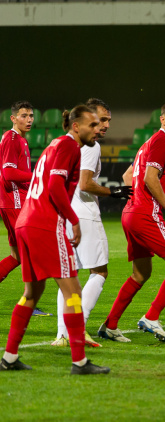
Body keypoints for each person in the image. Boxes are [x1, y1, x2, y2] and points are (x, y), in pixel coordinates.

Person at [1, 105, 110, 374]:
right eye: (92, 125)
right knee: (73, 292)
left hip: (26, 222)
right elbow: (54, 186)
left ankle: (9, 357)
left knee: (31, 293)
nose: (97, 129)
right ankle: (80, 362)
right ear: (76, 126)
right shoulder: (71, 147)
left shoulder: (54, 144)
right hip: (44, 225)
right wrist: (73, 220)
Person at [98, 101, 165, 344]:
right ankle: (151, 317)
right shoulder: (163, 142)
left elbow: (128, 176)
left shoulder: (148, 143)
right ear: (163, 120)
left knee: (141, 273)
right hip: (144, 214)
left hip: (130, 213)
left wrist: (135, 203)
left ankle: (110, 325)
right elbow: (151, 179)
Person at [52, 98, 132, 348]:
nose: (105, 125)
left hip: (65, 213)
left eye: (108, 120)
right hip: (83, 213)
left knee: (69, 275)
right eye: (101, 120)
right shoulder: (91, 145)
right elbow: (86, 184)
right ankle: (78, 327)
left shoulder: (65, 143)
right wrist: (114, 192)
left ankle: (62, 333)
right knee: (99, 271)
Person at [0, 102, 52, 317]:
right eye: (24, 115)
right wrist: (38, 175)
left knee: (17, 256)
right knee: (32, 254)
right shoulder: (12, 139)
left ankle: (28, 302)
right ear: (13, 118)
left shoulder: (18, 140)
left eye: (31, 115)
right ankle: (28, 303)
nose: (29, 119)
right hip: (15, 203)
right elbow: (9, 174)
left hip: (13, 202)